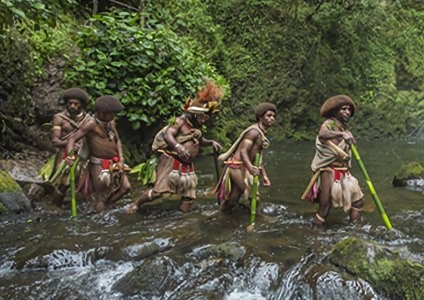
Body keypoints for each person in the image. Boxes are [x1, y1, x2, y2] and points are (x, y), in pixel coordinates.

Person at [129, 81, 223, 213]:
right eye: (205, 115)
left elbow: (200, 141)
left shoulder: (196, 126)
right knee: (158, 192)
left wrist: (211, 143)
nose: (206, 119)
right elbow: (168, 135)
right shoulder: (180, 121)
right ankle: (137, 204)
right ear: (196, 113)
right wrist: (178, 147)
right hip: (171, 161)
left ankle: (183, 223)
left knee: (188, 198)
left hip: (187, 165)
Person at [302, 95, 364, 225]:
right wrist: (342, 135)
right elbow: (322, 134)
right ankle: (314, 234)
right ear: (335, 111)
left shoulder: (344, 128)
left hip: (344, 171)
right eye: (344, 109)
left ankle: (356, 230)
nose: (348, 112)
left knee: (358, 201)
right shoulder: (329, 124)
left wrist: (348, 137)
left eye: (349, 110)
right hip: (329, 171)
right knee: (325, 207)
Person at [65, 95, 131, 212]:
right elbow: (72, 139)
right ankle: (100, 222)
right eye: (111, 113)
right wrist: (70, 156)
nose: (113, 116)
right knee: (101, 195)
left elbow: (118, 140)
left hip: (115, 161)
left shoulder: (111, 123)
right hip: (98, 163)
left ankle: (108, 206)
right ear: (102, 113)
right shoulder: (91, 124)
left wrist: (121, 159)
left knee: (126, 187)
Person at [215, 103, 276, 214]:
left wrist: (265, 175)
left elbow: (258, 156)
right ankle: (258, 218)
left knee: (233, 200)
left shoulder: (262, 133)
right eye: (269, 115)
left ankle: (221, 214)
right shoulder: (254, 132)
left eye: (273, 116)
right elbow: (243, 151)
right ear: (260, 117)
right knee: (254, 196)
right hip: (237, 166)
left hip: (244, 167)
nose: (272, 118)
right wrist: (251, 168)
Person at [41, 88, 91, 206]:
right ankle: (55, 205)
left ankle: (89, 208)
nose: (72, 106)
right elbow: (55, 141)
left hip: (83, 156)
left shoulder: (88, 120)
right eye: (70, 103)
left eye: (76, 104)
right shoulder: (59, 118)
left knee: (87, 182)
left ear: (82, 105)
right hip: (65, 155)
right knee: (66, 180)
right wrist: (71, 144)